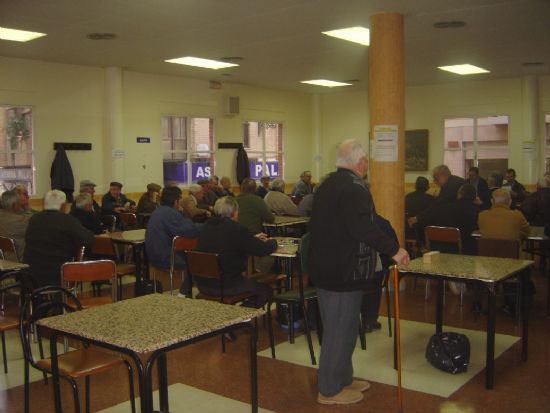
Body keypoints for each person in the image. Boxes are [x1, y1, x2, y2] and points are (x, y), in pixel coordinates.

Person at [309, 139, 409, 405]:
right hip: (341, 271)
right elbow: (362, 227)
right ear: (361, 163)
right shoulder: (354, 188)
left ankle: (343, 377)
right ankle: (329, 390)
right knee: (338, 330)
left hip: (330, 267)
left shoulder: (328, 183)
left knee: (346, 327)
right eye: (367, 162)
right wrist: (394, 250)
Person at [195, 196, 276, 307]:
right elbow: (263, 249)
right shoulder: (237, 229)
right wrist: (273, 241)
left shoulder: (206, 227)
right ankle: (241, 318)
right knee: (266, 291)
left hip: (202, 284)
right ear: (234, 212)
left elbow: (227, 242)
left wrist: (252, 238)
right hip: (228, 285)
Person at [23, 190, 95, 287]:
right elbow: (88, 240)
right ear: (62, 206)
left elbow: (27, 238)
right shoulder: (68, 221)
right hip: (57, 273)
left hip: (30, 271)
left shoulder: (34, 219)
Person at [145, 186, 201, 296]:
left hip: (153, 257)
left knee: (193, 259)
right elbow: (190, 230)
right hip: (166, 257)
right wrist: (208, 227)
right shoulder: (170, 214)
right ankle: (184, 294)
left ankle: (187, 292)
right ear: (176, 201)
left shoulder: (157, 212)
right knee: (197, 263)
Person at [417, 184, 480, 255]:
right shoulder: (475, 211)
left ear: (460, 194)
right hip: (464, 250)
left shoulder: (445, 208)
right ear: (474, 197)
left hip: (439, 248)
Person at [0, 189, 31, 260]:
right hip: (18, 259)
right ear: (14, 205)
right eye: (19, 203)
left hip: (2, 258)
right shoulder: (22, 221)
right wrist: (26, 207)